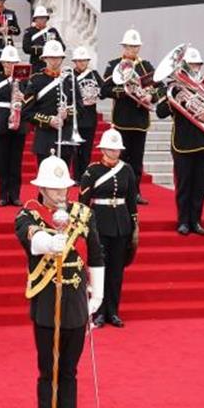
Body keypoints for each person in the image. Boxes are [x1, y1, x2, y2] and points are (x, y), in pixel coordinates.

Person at [15, 154, 103, 408]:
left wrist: (98, 296)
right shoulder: (29, 215)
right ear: (41, 189)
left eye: (63, 187)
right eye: (53, 188)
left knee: (69, 373)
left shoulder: (83, 214)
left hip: (76, 305)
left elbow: (95, 255)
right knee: (47, 374)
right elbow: (32, 240)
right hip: (46, 305)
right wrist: (50, 241)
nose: (61, 193)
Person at [155, 46, 204, 235]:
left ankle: (196, 220)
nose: (194, 68)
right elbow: (160, 112)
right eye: (190, 64)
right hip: (183, 141)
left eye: (197, 64)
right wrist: (171, 98)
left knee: (200, 184)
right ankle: (183, 221)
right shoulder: (173, 86)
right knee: (184, 184)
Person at [78, 128, 139, 328]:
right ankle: (99, 311)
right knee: (100, 269)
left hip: (121, 224)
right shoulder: (92, 170)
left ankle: (113, 311)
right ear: (102, 149)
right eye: (111, 149)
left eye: (117, 149)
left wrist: (133, 224)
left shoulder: (127, 169)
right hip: (100, 223)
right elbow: (84, 200)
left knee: (116, 271)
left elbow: (131, 200)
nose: (114, 152)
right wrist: (84, 226)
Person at [101, 30, 156, 204]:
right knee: (120, 158)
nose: (132, 49)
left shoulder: (146, 66)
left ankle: (135, 192)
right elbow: (104, 90)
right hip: (122, 119)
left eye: (135, 46)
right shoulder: (114, 65)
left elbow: (158, 88)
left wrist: (150, 96)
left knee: (137, 161)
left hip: (140, 120)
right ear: (123, 47)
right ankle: (120, 191)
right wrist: (125, 92)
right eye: (129, 46)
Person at [22, 40, 76, 170]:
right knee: (45, 181)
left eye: (58, 57)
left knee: (63, 179)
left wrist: (67, 114)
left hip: (65, 136)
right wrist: (48, 120)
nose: (54, 61)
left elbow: (80, 107)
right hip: (44, 138)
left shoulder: (69, 79)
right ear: (44, 58)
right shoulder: (35, 80)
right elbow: (27, 112)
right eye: (51, 57)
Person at [0, 45, 28, 206]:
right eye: (6, 63)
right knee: (2, 160)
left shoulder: (24, 80)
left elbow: (29, 102)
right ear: (2, 64)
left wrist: (22, 97)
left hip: (18, 123)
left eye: (12, 63)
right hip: (1, 122)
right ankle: (3, 195)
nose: (9, 66)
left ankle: (15, 195)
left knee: (16, 161)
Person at [69, 47, 105, 181]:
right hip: (75, 116)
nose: (82, 63)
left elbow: (103, 91)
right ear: (75, 62)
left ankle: (84, 175)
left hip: (90, 116)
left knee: (87, 148)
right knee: (75, 149)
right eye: (79, 61)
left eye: (84, 61)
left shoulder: (94, 74)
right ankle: (76, 176)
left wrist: (97, 91)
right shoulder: (70, 75)